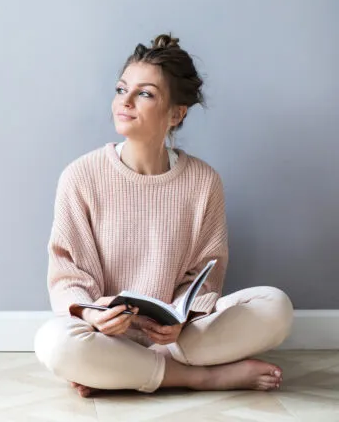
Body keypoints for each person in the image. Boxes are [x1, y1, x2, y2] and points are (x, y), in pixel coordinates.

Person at [33, 33, 294, 397]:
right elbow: (68, 272)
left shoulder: (203, 182)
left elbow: (205, 275)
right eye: (121, 88)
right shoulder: (81, 176)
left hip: (180, 337)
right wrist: (93, 314)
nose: (125, 101)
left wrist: (180, 320)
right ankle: (200, 378)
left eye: (145, 93)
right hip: (105, 335)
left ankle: (127, 372)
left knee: (275, 307)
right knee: (54, 342)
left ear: (176, 113)